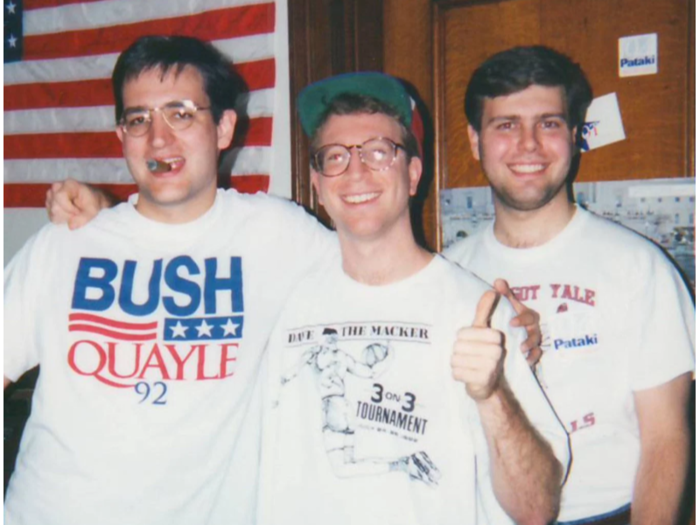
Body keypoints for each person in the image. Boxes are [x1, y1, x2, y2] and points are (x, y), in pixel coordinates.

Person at [3, 35, 338, 525]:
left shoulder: (277, 235)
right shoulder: (67, 244)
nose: (158, 139)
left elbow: (379, 275)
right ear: (121, 136)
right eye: (139, 120)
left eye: (181, 114)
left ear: (224, 127)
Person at [255, 72, 568, 525]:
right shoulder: (283, 303)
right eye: (335, 156)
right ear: (318, 185)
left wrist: (491, 393)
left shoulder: (478, 311)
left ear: (414, 173)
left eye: (379, 152)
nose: (356, 172)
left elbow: (537, 510)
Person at [443, 46, 695, 525]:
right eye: (506, 125)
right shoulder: (449, 273)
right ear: (475, 141)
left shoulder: (639, 267)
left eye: (550, 123)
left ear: (575, 136)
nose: (529, 144)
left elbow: (667, 439)